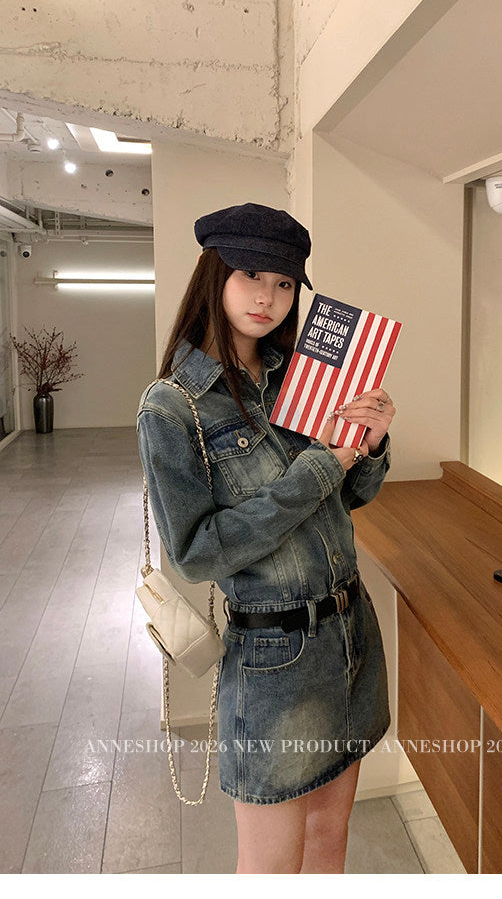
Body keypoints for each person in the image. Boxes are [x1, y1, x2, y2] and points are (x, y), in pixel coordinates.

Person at [136, 202, 395, 873]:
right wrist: (320, 467)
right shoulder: (173, 406)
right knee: (270, 869)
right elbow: (197, 553)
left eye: (284, 283)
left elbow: (351, 496)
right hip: (275, 659)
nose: (268, 298)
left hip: (352, 635)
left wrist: (368, 444)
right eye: (251, 275)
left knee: (330, 840)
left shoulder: (299, 380)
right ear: (215, 274)